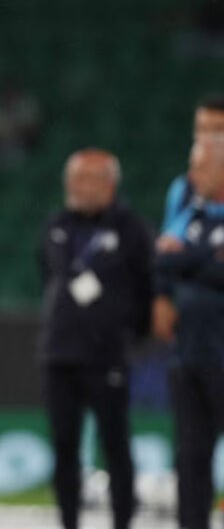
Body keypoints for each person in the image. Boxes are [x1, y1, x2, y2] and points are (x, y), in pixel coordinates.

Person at [38, 150, 153, 529]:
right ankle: (68, 522)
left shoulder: (130, 229)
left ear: (108, 184)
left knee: (115, 444)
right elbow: (49, 272)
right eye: (72, 177)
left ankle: (122, 521)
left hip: (106, 353)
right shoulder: (57, 223)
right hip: (60, 352)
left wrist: (127, 331)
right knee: (64, 446)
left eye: (84, 178)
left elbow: (145, 286)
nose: (74, 186)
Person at [155, 138, 224, 529]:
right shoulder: (191, 213)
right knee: (191, 456)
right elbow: (161, 261)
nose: (192, 176)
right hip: (189, 354)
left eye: (200, 167)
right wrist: (206, 259)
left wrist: (187, 259)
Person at [153, 95, 224, 343]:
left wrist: (187, 259)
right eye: (201, 129)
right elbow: (165, 254)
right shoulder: (183, 190)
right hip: (195, 324)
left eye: (217, 130)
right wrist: (162, 297)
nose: (207, 137)